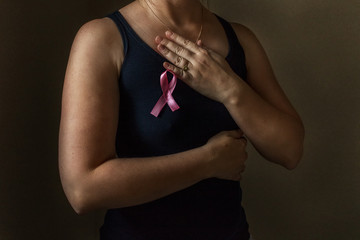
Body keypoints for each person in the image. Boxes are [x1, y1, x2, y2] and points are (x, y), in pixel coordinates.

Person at [59, 0, 305, 239]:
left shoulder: (241, 40)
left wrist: (230, 89)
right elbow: (83, 189)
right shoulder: (102, 38)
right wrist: (208, 162)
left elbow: (290, 151)